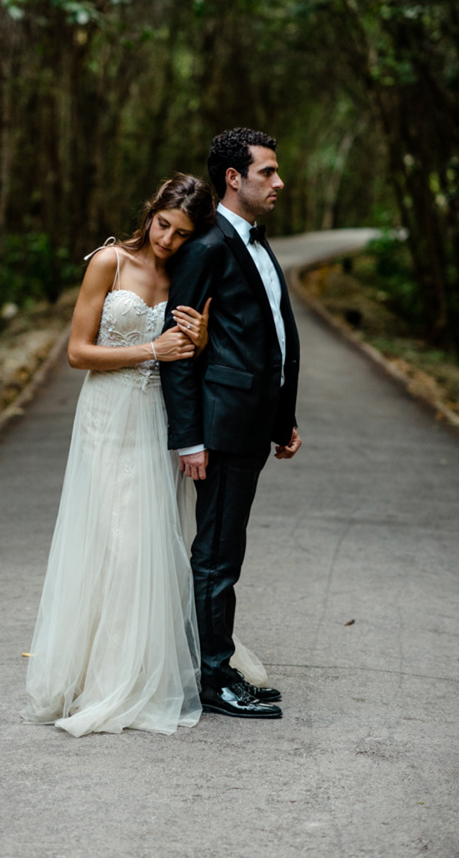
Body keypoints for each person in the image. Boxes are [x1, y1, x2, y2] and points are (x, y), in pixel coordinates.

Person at [22, 174, 216, 737]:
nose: (168, 241)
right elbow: (78, 353)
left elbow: (191, 354)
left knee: (148, 544)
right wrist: (150, 349)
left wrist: (199, 341)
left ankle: (133, 674)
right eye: (163, 226)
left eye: (182, 234)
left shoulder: (186, 270)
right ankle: (98, 679)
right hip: (107, 417)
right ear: (150, 212)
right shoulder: (108, 261)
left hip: (157, 419)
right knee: (115, 544)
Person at [160, 128, 302, 720]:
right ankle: (214, 679)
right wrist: (190, 437)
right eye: (267, 172)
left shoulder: (257, 243)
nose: (279, 182)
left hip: (252, 425)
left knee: (227, 552)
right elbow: (177, 351)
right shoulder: (207, 246)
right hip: (217, 432)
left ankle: (217, 663)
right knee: (216, 556)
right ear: (234, 179)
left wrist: (283, 417)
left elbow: (268, 334)